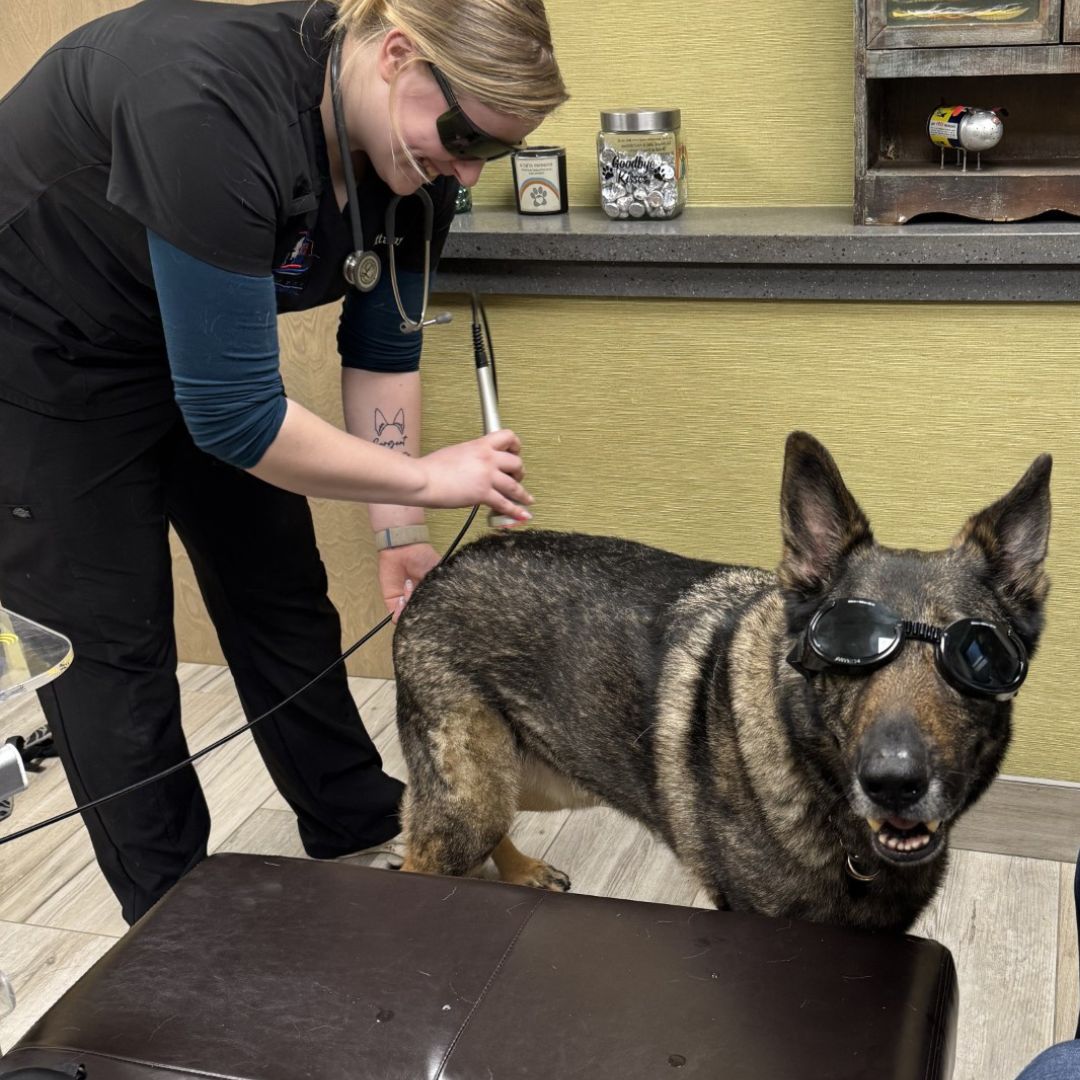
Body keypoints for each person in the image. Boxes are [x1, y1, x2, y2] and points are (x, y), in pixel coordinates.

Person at [0, 0, 567, 924]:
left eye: (493, 153)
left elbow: (382, 354)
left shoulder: (413, 166)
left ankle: (353, 818)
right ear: (397, 55)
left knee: (280, 586)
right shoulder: (206, 106)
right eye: (464, 136)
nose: (466, 170)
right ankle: (176, 921)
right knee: (113, 648)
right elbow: (236, 420)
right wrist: (427, 476)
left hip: (178, 332)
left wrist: (400, 533)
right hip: (35, 348)